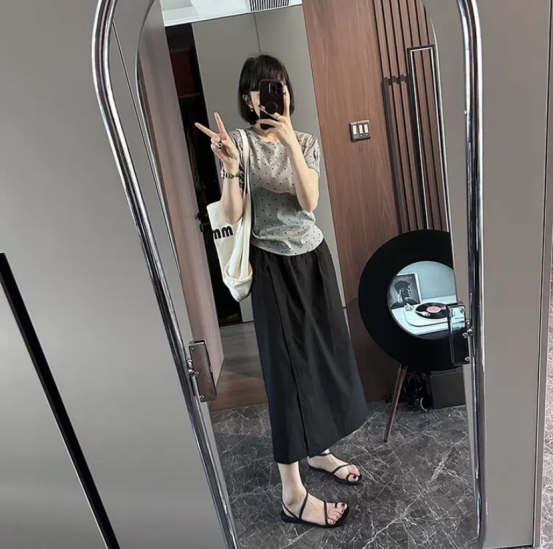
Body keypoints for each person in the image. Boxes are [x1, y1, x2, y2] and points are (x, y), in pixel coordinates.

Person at [196, 54, 367, 529]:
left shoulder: (305, 141)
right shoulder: (240, 144)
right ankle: (292, 493)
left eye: (279, 86)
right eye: (262, 87)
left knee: (323, 358)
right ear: (248, 98)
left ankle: (318, 451)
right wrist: (232, 167)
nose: (273, 94)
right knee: (285, 374)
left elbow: (309, 201)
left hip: (313, 260)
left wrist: (290, 140)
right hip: (271, 267)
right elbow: (232, 214)